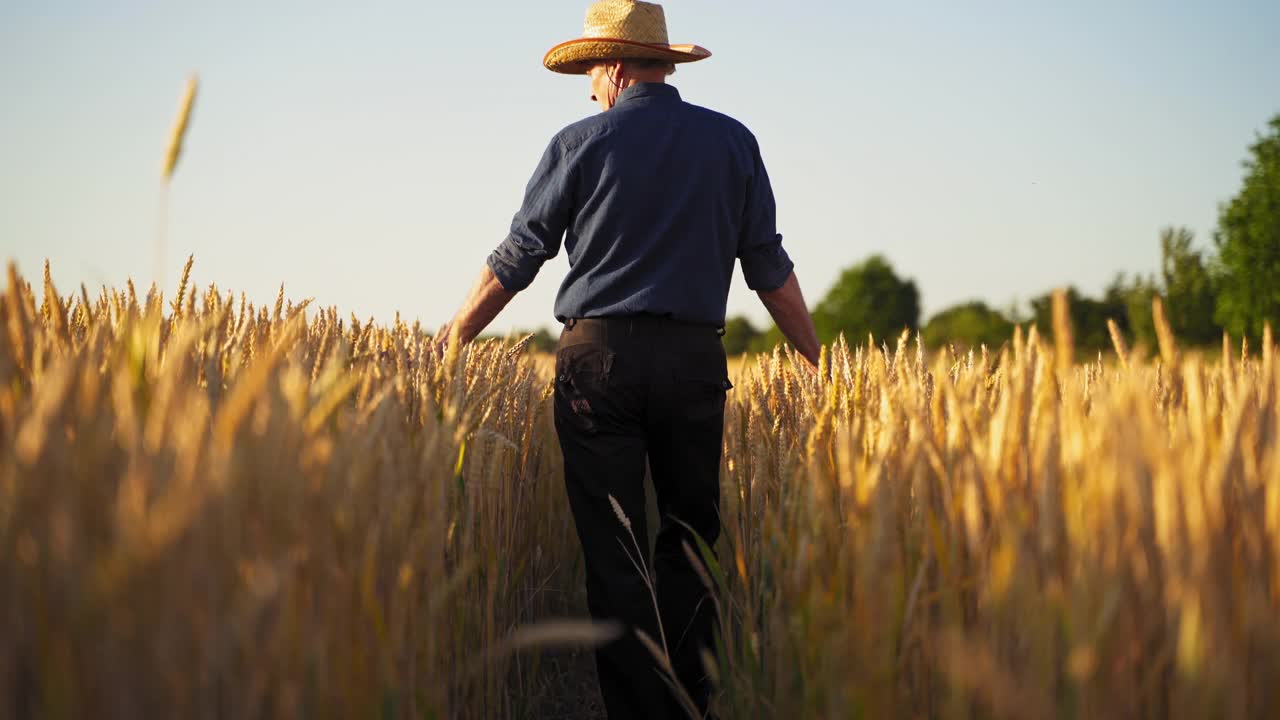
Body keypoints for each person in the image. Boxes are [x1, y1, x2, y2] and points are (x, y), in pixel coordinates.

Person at [438, 1, 820, 716]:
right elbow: (768, 266)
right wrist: (815, 358)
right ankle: (692, 702)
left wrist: (453, 337)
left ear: (611, 69)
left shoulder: (579, 143)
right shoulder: (733, 142)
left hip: (597, 363)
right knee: (688, 535)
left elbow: (518, 258)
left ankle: (636, 710)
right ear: (662, 65)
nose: (589, 90)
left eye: (590, 76)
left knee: (616, 550)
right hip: (692, 362)